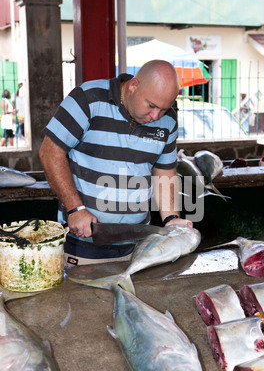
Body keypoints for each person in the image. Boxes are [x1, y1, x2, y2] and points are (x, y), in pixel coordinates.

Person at [40, 60, 193, 266]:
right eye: (151, 106)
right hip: (84, 242)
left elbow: (164, 171)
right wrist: (75, 209)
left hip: (138, 245)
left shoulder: (169, 121)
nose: (155, 116)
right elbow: (50, 152)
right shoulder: (88, 98)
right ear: (133, 85)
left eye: (164, 109)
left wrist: (170, 220)